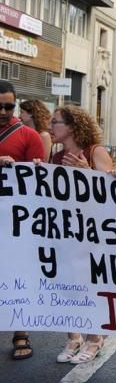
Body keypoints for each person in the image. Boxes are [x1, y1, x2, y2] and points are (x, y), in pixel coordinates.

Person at [47, 106, 115, 363]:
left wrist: (87, 172)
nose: (50, 127)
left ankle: (95, 338)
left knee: (90, 285)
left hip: (92, 232)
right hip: (64, 231)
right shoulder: (55, 156)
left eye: (56, 123)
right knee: (68, 284)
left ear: (73, 127)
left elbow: (111, 191)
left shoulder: (95, 152)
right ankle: (73, 336)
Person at [0, 80, 46, 360]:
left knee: (17, 275)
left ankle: (21, 332)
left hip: (15, 221)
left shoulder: (29, 136)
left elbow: (38, 181)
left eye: (9, 105)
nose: (4, 111)